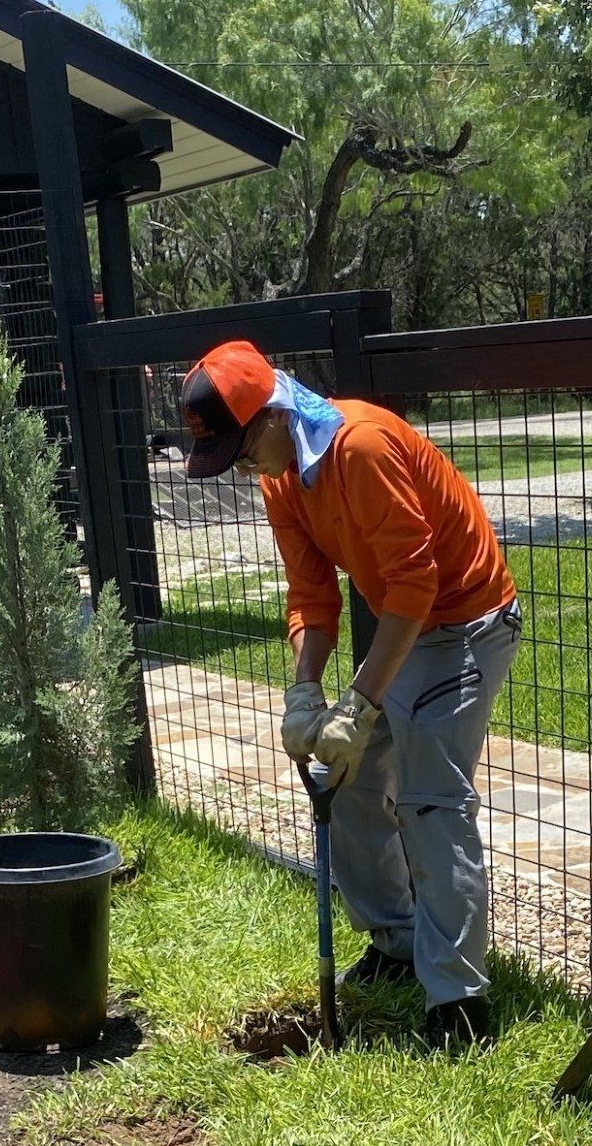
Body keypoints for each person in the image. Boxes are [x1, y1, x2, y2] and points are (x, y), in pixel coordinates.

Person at [178, 340, 522, 1050]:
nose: (246, 471)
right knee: (351, 777)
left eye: (243, 454)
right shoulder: (281, 477)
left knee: (431, 803)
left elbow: (417, 586)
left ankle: (460, 1002)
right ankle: (397, 947)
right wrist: (305, 693)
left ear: (272, 416)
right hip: (407, 627)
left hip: (465, 624)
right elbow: (311, 594)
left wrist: (360, 704)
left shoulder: (359, 448)